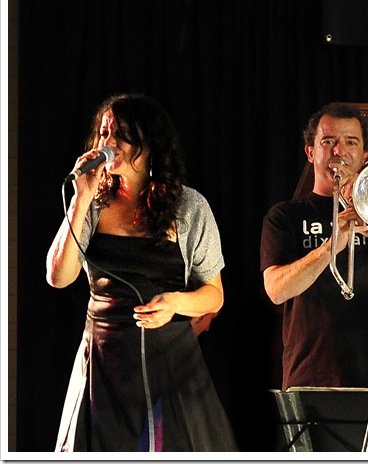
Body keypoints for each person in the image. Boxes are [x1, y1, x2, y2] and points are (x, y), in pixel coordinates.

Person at [45, 93, 236, 451]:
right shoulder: (94, 205)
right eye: (103, 133)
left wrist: (175, 303)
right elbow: (58, 276)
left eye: (120, 134)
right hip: (104, 363)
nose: (108, 143)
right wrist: (80, 199)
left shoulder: (189, 206)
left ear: (148, 142)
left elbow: (215, 294)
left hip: (171, 366)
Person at [260, 103, 368, 449]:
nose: (339, 151)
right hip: (314, 379)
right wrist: (332, 244)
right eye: (328, 142)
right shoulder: (286, 216)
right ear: (311, 152)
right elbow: (277, 290)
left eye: (351, 142)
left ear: (365, 153)